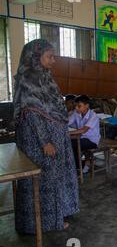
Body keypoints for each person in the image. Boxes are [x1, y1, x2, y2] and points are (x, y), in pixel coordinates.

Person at [13, 39, 79, 233]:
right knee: (45, 181)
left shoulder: (45, 77)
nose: (54, 60)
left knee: (56, 178)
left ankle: (60, 213)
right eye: (50, 56)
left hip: (55, 137)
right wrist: (45, 142)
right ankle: (47, 223)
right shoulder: (28, 79)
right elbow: (31, 113)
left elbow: (52, 108)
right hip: (41, 142)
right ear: (35, 57)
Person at [69, 95, 100, 174]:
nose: (76, 108)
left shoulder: (93, 115)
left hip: (92, 140)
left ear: (87, 105)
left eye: (79, 106)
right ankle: (80, 164)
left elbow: (84, 130)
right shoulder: (76, 113)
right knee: (70, 143)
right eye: (75, 106)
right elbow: (67, 123)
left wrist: (67, 133)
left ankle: (78, 166)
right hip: (81, 138)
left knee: (73, 145)